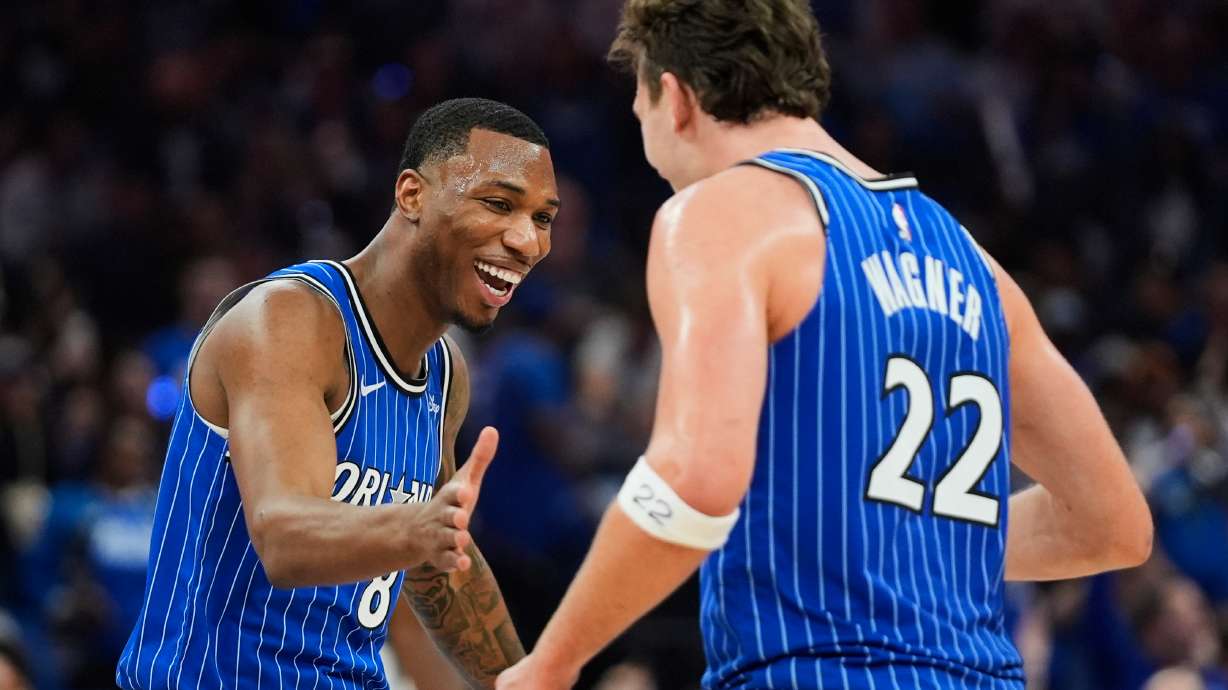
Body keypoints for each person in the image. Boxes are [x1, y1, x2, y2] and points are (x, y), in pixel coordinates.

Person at [496, 2, 1153, 688]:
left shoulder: (719, 212)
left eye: (642, 116)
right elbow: (1112, 523)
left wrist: (554, 659)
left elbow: (695, 478)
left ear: (677, 99)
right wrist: (906, 546)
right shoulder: (976, 264)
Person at [116, 97, 561, 689]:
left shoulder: (445, 373)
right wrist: (413, 529)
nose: (526, 241)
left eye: (544, 218)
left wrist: (528, 679)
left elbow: (439, 562)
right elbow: (282, 537)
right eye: (499, 204)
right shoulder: (290, 321)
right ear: (412, 195)